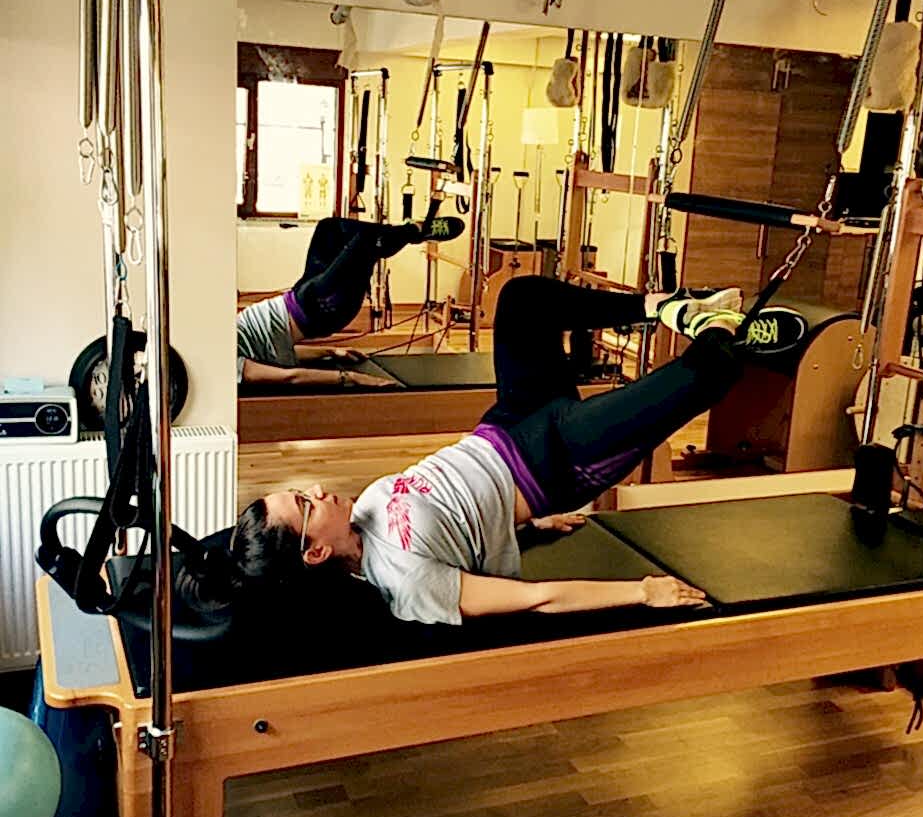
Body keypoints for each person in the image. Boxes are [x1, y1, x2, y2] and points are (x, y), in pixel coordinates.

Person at [216, 277, 807, 622]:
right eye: (305, 504)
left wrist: (526, 529)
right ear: (315, 552)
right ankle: (730, 332)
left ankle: (666, 307)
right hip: (557, 461)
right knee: (702, 376)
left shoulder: (365, 512)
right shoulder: (407, 584)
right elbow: (534, 599)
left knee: (522, 298)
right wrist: (642, 592)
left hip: (508, 423)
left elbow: (458, 517)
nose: (317, 490)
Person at [237, 214, 465, 387]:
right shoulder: (227, 367)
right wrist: (351, 378)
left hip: (302, 300)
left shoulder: (222, 343)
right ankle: (413, 231)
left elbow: (278, 351)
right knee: (366, 241)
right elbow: (289, 376)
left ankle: (412, 232)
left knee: (329, 227)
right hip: (323, 308)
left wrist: (330, 351)